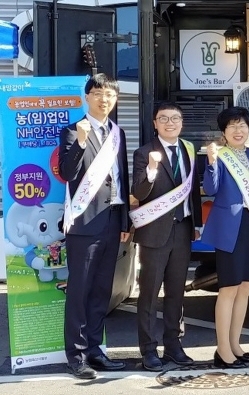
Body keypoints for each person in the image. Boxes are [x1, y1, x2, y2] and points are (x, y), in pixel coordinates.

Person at [59, 73, 131, 379]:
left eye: (110, 95)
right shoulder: (72, 130)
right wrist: (82, 141)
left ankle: (94, 350)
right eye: (99, 93)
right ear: (87, 97)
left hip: (113, 220)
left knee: (103, 289)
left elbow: (122, 177)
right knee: (80, 289)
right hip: (85, 222)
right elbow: (66, 172)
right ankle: (76, 355)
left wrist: (126, 219)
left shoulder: (119, 133)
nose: (105, 99)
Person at [131, 102, 203, 371]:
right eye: (164, 119)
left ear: (182, 123)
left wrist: (197, 222)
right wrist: (150, 169)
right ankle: (149, 350)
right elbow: (138, 192)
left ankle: (173, 345)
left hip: (183, 229)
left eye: (175, 118)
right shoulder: (143, 153)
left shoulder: (188, 149)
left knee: (176, 293)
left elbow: (192, 188)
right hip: (154, 233)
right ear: (155, 123)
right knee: (149, 294)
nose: (170, 123)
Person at [201, 107, 249, 369]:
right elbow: (211, 189)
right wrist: (210, 162)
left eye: (242, 125)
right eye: (232, 126)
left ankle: (235, 344)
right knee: (228, 288)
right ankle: (222, 350)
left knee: (245, 287)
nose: (238, 130)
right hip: (229, 226)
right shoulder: (219, 156)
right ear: (224, 132)